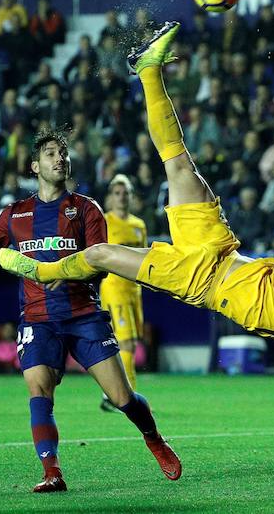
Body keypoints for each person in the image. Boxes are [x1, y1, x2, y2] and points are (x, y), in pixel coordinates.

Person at [0, 22, 274, 490]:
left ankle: (43, 270)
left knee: (99, 253)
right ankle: (149, 70)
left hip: (200, 282)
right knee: (179, 162)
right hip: (219, 244)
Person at [0, 132, 181, 492]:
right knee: (39, 390)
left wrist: (64, 271)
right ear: (35, 166)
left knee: (122, 397)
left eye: (63, 153)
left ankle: (153, 437)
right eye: (50, 153)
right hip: (37, 319)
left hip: (83, 315)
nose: (60, 158)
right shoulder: (15, 214)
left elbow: (101, 264)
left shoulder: (87, 209)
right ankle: (52, 472)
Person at [98, 174, 148, 412]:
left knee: (131, 343)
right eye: (117, 193)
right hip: (114, 288)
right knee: (126, 342)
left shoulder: (139, 226)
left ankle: (113, 395)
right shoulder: (104, 222)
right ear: (110, 197)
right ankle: (127, 399)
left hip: (134, 289)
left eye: (125, 192)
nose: (122, 197)